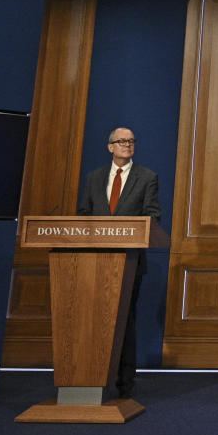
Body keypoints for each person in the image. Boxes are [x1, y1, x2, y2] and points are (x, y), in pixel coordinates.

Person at [77, 127, 161, 400]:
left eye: (131, 141)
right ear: (110, 146)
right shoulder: (93, 178)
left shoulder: (147, 177)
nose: (127, 145)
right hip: (94, 262)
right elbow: (84, 214)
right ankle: (90, 377)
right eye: (122, 141)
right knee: (91, 319)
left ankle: (125, 383)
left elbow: (153, 216)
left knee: (124, 319)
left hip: (129, 261)